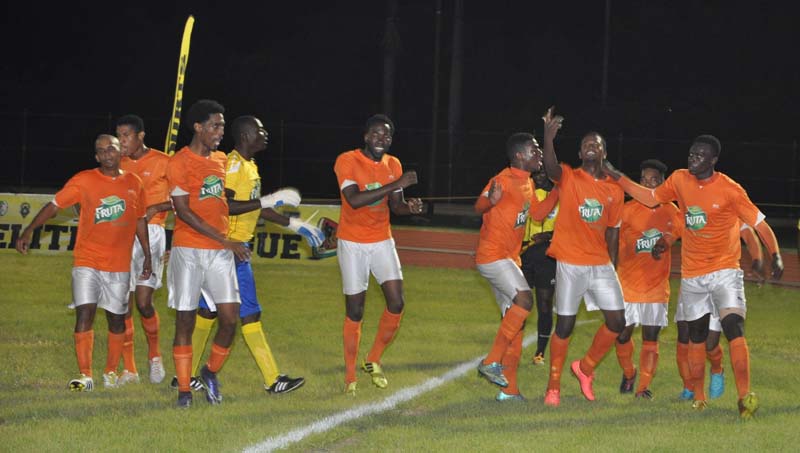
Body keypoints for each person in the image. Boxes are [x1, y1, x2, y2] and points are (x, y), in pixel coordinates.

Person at [604, 134, 784, 419]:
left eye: (700, 155)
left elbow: (757, 224)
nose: (693, 158)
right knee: (695, 337)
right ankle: (698, 397)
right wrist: (617, 177)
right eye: (691, 153)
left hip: (725, 270)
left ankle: (744, 396)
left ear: (713, 160)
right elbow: (650, 198)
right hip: (693, 275)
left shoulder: (730, 189)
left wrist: (773, 254)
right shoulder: (679, 180)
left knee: (733, 325)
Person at [166, 100, 300, 408]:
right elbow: (184, 212)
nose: (220, 131)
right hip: (190, 250)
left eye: (222, 126)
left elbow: (227, 203)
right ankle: (184, 391)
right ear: (197, 127)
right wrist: (224, 239)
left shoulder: (222, 161)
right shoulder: (179, 162)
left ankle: (209, 372)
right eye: (215, 125)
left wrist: (290, 220)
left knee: (228, 319)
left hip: (221, 251)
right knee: (186, 320)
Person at [186, 115, 323, 395]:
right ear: (247, 135)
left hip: (230, 250)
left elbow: (256, 207)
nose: (266, 134)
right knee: (247, 313)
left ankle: (185, 375)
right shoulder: (235, 165)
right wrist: (265, 201)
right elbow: (224, 205)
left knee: (208, 311)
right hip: (229, 249)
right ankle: (272, 380)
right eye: (261, 130)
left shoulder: (249, 165)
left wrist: (295, 224)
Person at [16, 134, 151, 391]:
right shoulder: (84, 180)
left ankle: (110, 372)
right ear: (97, 157)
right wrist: (29, 230)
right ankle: (85, 375)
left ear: (119, 151)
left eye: (110, 148)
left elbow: (140, 220)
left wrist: (147, 255)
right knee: (84, 313)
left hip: (119, 265)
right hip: (87, 260)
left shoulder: (134, 183)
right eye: (101, 151)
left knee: (116, 320)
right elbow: (55, 205)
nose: (106, 154)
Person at [539, 108, 627, 407]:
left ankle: (585, 368)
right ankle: (553, 387)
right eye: (587, 143)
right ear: (580, 151)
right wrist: (548, 138)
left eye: (597, 143)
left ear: (604, 152)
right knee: (564, 325)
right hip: (571, 263)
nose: (592, 145)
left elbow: (613, 232)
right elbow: (550, 168)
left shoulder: (615, 189)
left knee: (617, 321)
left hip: (601, 265)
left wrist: (612, 267)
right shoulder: (569, 177)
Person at [333, 114, 423, 395]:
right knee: (355, 309)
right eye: (376, 133)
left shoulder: (393, 164)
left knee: (396, 302)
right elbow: (355, 200)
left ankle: (372, 359)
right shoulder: (347, 160)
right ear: (365, 136)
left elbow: (395, 206)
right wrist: (397, 183)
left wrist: (411, 207)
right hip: (352, 243)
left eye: (386, 135)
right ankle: (350, 376)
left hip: (382, 240)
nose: (381, 139)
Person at [474, 133, 558, 401]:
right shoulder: (503, 179)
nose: (540, 155)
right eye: (535, 151)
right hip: (493, 256)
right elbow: (479, 206)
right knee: (524, 299)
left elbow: (537, 214)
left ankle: (508, 391)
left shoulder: (528, 182)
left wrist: (558, 190)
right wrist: (492, 200)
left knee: (516, 325)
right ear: (520, 155)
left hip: (509, 259)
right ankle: (491, 361)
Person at [612, 159, 681, 400]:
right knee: (621, 335)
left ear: (663, 183)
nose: (647, 184)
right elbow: (614, 244)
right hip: (627, 284)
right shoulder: (627, 210)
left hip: (655, 288)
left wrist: (664, 242)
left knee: (651, 338)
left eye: (653, 180)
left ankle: (643, 386)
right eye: (643, 180)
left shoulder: (672, 211)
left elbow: (674, 234)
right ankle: (629, 373)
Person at [675, 223, 765, 401]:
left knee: (710, 343)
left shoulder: (727, 206)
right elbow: (673, 230)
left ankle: (717, 369)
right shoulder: (690, 206)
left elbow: (749, 234)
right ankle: (691, 387)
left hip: (721, 282)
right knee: (685, 334)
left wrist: (757, 259)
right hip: (693, 280)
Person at [114, 114, 171, 385]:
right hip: (124, 236)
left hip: (153, 233)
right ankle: (130, 369)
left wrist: (156, 208)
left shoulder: (164, 162)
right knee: (122, 302)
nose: (121, 141)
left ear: (140, 136)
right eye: (119, 135)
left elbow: (184, 199)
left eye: (126, 135)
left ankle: (155, 357)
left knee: (144, 302)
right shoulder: (117, 164)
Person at [520, 167, 559, 366]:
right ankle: (512, 347)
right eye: (537, 174)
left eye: (544, 173)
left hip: (548, 257)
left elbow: (571, 228)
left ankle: (540, 352)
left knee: (544, 304)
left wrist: (549, 236)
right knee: (519, 303)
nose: (540, 177)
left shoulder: (561, 196)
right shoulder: (525, 192)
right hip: (524, 256)